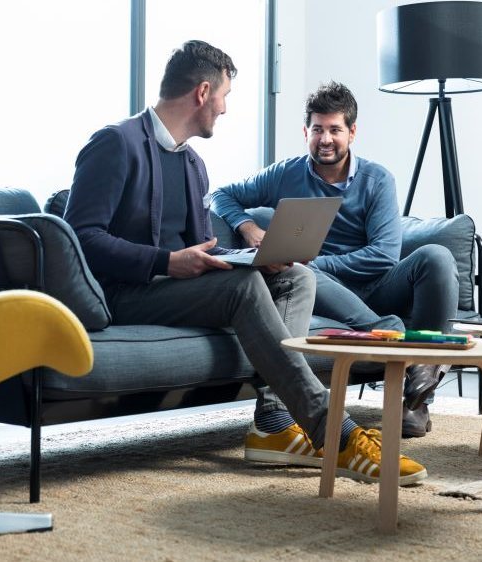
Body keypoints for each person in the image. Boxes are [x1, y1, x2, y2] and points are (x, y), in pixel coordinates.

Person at [65, 42, 426, 484]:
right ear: (202, 93)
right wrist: (166, 261)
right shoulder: (116, 143)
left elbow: (203, 249)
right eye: (224, 96)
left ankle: (273, 420)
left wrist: (250, 260)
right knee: (242, 290)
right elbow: (80, 239)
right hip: (124, 295)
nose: (225, 108)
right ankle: (336, 432)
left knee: (294, 278)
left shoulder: (194, 164)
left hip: (174, 291)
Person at [210, 81, 459, 438]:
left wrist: (316, 263)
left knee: (436, 257)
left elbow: (384, 255)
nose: (325, 139)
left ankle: (417, 401)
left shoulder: (376, 179)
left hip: (375, 285)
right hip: (322, 289)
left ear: (352, 132)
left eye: (335, 130)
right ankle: (401, 342)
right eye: (317, 130)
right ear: (306, 131)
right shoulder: (286, 173)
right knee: (297, 270)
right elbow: (220, 194)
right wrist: (247, 226)